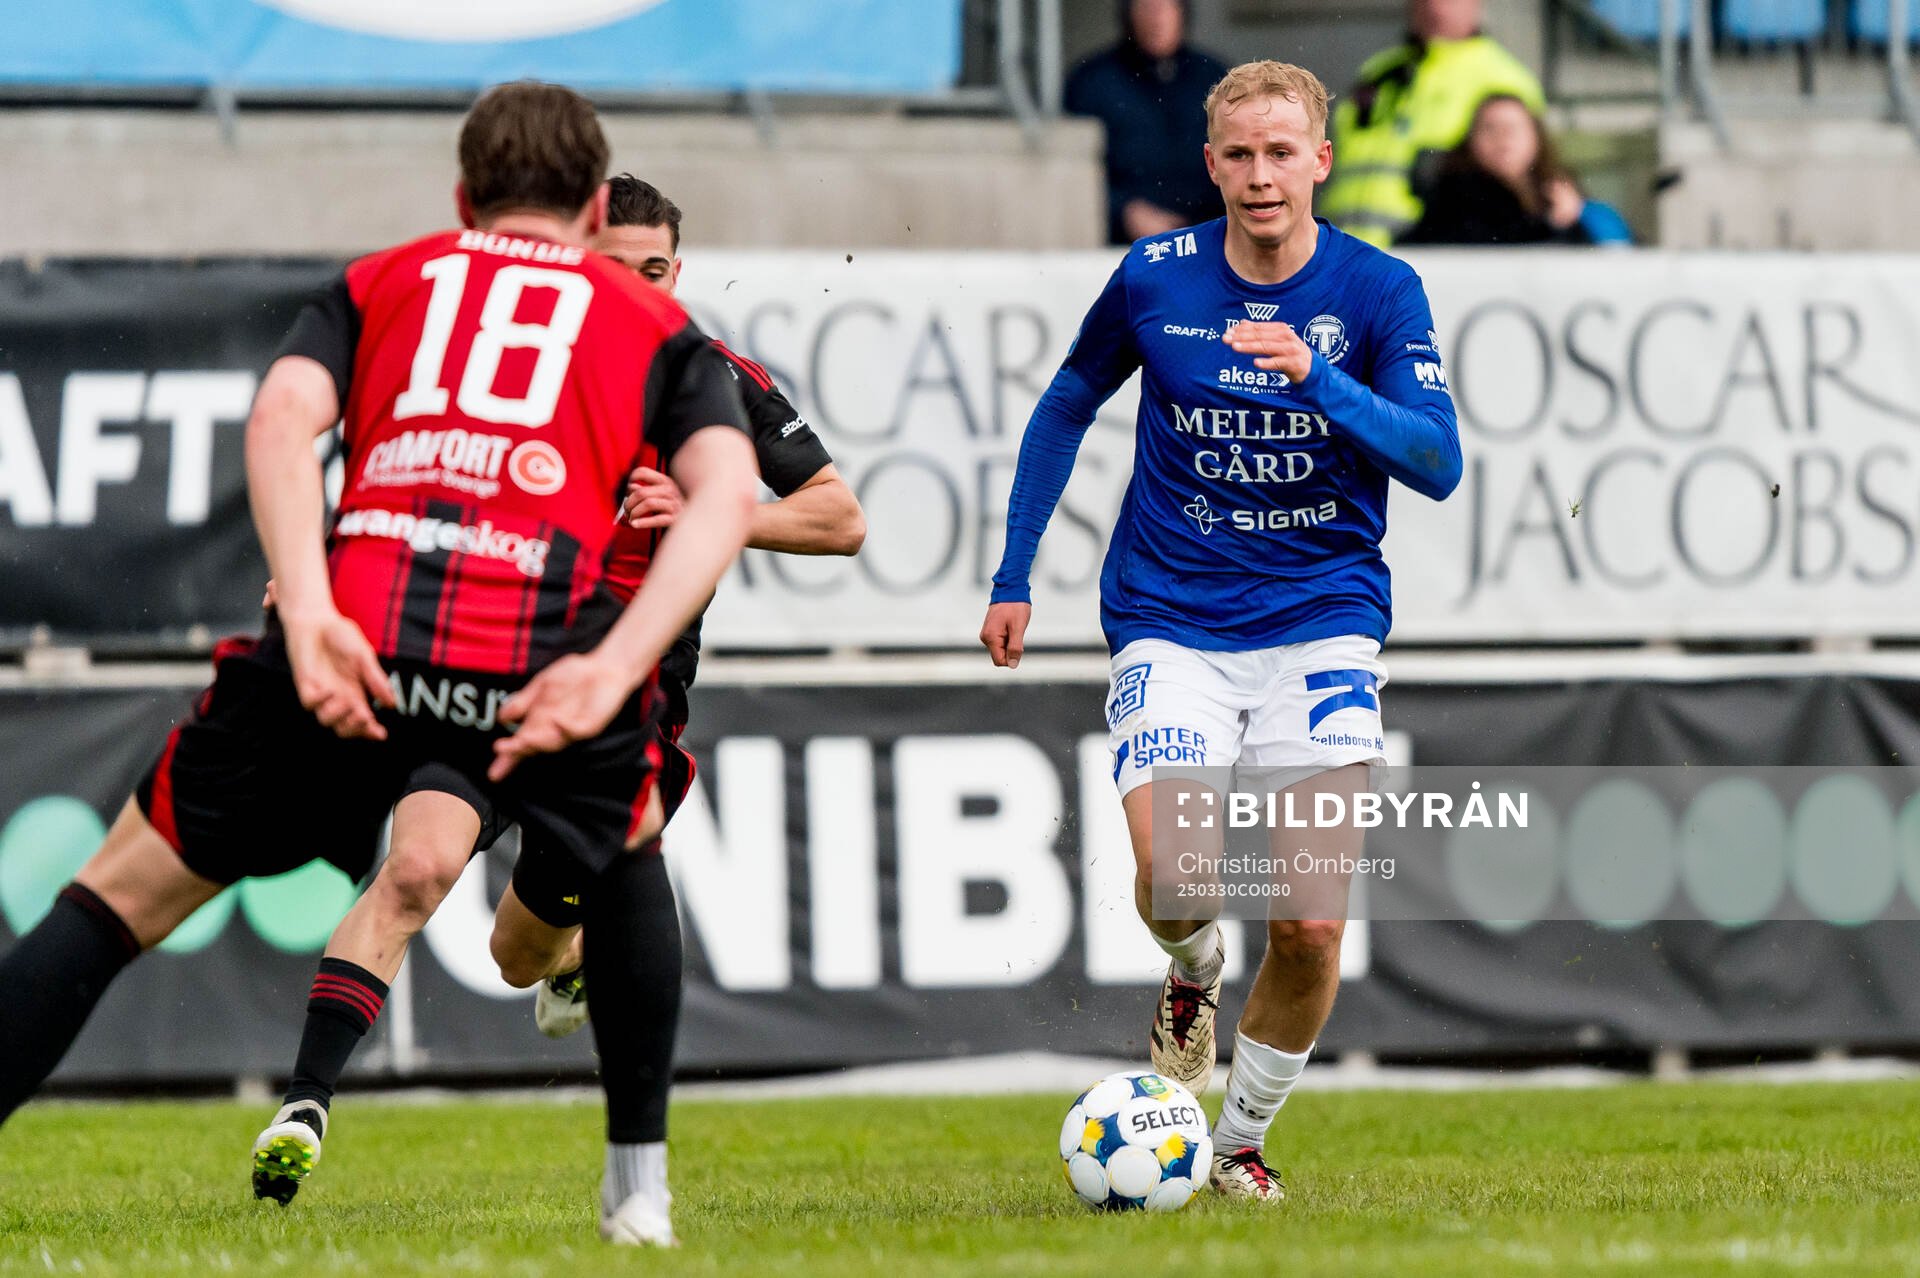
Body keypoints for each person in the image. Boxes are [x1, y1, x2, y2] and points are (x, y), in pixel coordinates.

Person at [0, 81, 762, 1249]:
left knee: (113, 902)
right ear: (591, 210)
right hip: (530, 648)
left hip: (358, 640)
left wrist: (306, 607)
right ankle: (637, 1193)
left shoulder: (384, 281)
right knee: (630, 836)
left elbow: (278, 422)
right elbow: (725, 497)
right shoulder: (652, 324)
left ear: (462, 197)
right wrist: (620, 667)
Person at [246, 171, 863, 1226]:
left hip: (622, 705)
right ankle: (305, 1104)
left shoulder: (710, 378)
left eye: (655, 270)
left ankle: (570, 964)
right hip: (486, 670)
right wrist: (326, 574)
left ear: (680, 271)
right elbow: (418, 479)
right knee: (418, 866)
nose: (637, 286)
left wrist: (718, 511)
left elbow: (840, 517)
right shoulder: (513, 371)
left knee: (514, 956)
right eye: (617, 266)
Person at [980, 60, 1460, 1200]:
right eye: (1239, 154)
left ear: (1321, 161)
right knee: (1181, 876)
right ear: (1211, 163)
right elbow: (1067, 401)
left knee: (1310, 929)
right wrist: (1013, 572)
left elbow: (1437, 461)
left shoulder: (1379, 290)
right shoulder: (1157, 274)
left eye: (1281, 152)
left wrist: (1320, 379)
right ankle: (1193, 965)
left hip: (1323, 620)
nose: (1260, 175)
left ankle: (1237, 1144)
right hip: (1173, 615)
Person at [1321, 0, 1545, 247]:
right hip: (1343, 249)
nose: (1435, 7)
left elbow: (1534, 178)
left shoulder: (1505, 78)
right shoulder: (1378, 71)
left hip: (1431, 250)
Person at [1065, 0, 1228, 245]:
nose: (1157, 18)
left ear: (1182, 13)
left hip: (1210, 239)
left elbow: (1236, 156)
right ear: (1128, 15)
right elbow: (1073, 169)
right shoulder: (1093, 82)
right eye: (1147, 7)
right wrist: (1123, 211)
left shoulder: (1214, 78)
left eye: (1166, 7)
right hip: (1121, 246)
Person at [1400, 95, 1633, 246]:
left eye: (1513, 128)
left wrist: (1574, 221)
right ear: (1471, 142)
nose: (1503, 138)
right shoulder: (1451, 199)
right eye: (1490, 128)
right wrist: (1556, 228)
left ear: (1536, 136)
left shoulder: (1559, 190)